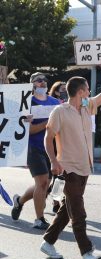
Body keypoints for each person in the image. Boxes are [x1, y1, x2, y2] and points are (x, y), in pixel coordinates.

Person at [40, 62, 101, 259]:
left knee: (66, 209)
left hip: (84, 167)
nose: (90, 91)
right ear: (80, 91)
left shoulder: (87, 106)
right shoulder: (59, 111)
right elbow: (48, 138)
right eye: (88, 88)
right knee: (78, 213)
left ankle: (48, 242)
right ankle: (87, 252)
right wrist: (54, 161)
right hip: (67, 168)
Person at [11, 72, 60, 229]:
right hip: (33, 147)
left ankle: (19, 201)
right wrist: (48, 122)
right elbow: (28, 130)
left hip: (51, 148)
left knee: (45, 184)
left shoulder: (55, 102)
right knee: (43, 182)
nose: (43, 83)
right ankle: (39, 219)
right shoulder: (27, 102)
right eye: (39, 81)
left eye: (45, 80)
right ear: (32, 84)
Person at [48, 81, 68, 214]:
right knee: (56, 176)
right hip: (54, 143)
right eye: (62, 89)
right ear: (56, 91)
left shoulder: (73, 103)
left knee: (63, 177)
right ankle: (56, 201)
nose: (65, 91)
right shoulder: (53, 106)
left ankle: (50, 195)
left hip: (67, 143)